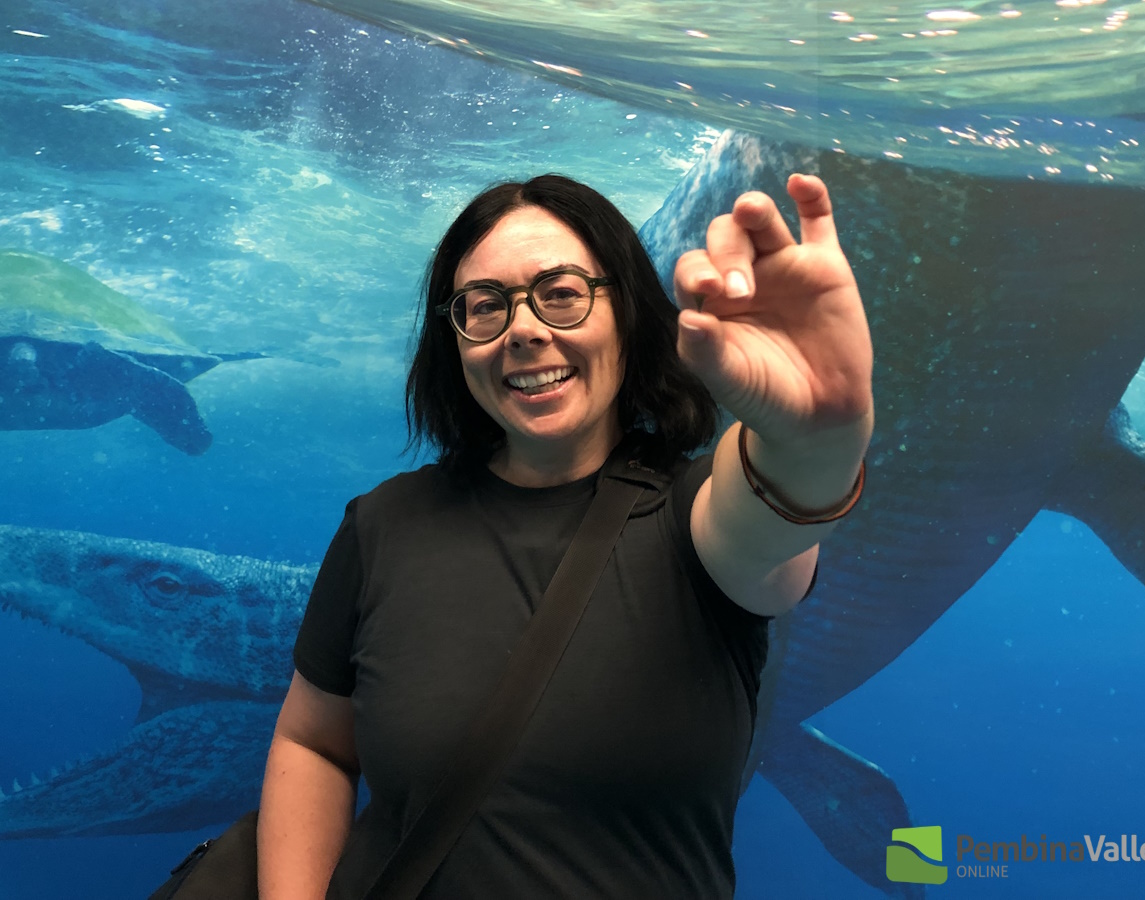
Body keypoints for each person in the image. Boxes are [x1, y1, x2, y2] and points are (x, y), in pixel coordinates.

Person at [257, 171, 873, 899]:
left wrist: (822, 429)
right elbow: (314, 742)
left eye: (561, 293)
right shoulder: (383, 523)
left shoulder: (698, 517)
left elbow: (783, 494)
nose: (523, 329)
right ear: (453, 340)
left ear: (629, 312)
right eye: (483, 306)